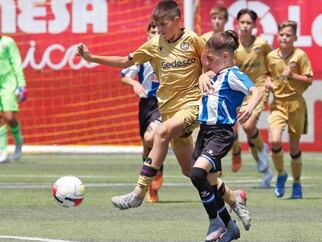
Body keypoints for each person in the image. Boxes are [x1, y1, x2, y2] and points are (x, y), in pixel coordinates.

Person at [77, 0, 251, 229]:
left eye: (163, 24)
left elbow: (213, 61)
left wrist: (204, 74)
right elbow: (124, 61)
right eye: (156, 25)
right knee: (192, 172)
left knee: (161, 133)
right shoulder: (153, 44)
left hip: (191, 106)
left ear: (177, 21)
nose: (159, 29)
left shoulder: (193, 40)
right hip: (170, 111)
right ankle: (232, 198)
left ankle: (139, 192)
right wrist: (92, 58)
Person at [191, 31, 262, 242]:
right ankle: (230, 228)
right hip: (205, 132)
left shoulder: (232, 74)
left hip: (220, 133)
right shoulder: (216, 74)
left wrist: (250, 106)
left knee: (196, 174)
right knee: (211, 184)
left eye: (210, 58)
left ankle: (215, 220)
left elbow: (256, 90)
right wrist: (205, 73)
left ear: (224, 55)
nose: (207, 62)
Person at [265, 20, 313, 199]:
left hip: (296, 104)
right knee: (275, 140)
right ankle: (281, 174)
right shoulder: (271, 56)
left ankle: (297, 183)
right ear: (278, 36)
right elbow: (267, 74)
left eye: (288, 35)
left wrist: (293, 75)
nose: (284, 38)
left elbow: (309, 79)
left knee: (294, 147)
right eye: (282, 34)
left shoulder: (300, 55)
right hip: (277, 103)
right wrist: (268, 82)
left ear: (295, 37)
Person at [120, 22, 163, 203]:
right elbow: (125, 76)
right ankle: (153, 174)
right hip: (146, 105)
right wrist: (135, 83)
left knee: (151, 138)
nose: (155, 34)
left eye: (158, 32)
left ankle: (154, 176)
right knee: (146, 145)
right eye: (152, 32)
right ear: (147, 34)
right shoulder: (142, 55)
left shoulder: (169, 53)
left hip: (163, 103)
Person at [231, 9, 273, 187]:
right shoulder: (233, 46)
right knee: (248, 132)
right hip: (241, 91)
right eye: (243, 22)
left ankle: (263, 150)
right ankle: (265, 171)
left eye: (249, 23)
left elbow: (272, 62)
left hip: (258, 89)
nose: (246, 26)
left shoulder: (262, 44)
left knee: (248, 125)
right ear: (237, 24)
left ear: (255, 25)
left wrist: (270, 78)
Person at [0, 35, 27, 163]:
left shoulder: (8, 42)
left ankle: (18, 140)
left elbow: (16, 63)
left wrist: (21, 84)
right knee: (0, 118)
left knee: (9, 117)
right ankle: (3, 151)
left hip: (8, 84)